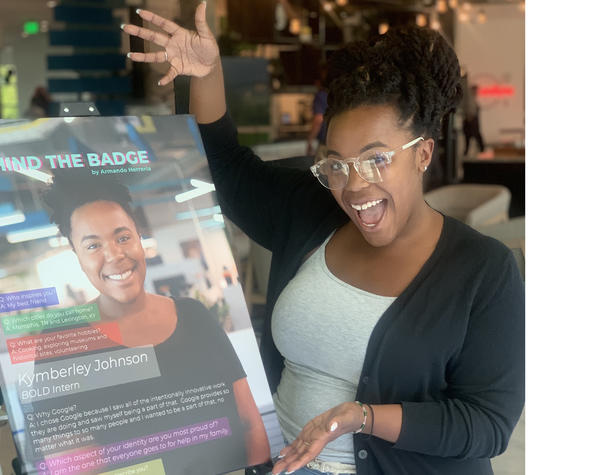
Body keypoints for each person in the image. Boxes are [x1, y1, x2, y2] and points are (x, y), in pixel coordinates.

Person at [123, 5, 524, 475]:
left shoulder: (483, 269)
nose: (353, 186)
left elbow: (488, 423)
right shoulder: (311, 210)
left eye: (376, 160)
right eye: (337, 164)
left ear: (423, 154)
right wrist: (208, 74)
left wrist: (364, 417)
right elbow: (224, 169)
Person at [41, 173, 270, 473]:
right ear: (76, 254)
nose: (115, 255)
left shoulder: (193, 315)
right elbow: (72, 465)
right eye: (93, 246)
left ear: (139, 238)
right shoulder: (60, 340)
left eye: (123, 237)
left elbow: (250, 423)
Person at [306, 63, 329, 158]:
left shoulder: (320, 96)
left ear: (317, 82)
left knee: (323, 171)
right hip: (340, 141)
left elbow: (318, 119)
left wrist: (310, 140)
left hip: (325, 143)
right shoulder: (338, 94)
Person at [462, 83, 485, 156]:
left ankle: (481, 150)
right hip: (471, 121)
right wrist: (469, 117)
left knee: (471, 137)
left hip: (472, 120)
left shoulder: (473, 98)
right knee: (471, 137)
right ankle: (481, 150)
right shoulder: (469, 99)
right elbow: (468, 110)